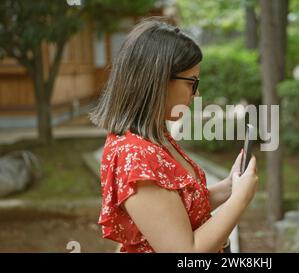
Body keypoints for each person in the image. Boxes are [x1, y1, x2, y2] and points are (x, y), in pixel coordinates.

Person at [90, 18, 259, 253]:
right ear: (158, 80)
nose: (196, 92)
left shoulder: (154, 136)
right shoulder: (136, 156)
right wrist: (241, 199)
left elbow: (179, 210)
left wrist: (230, 187)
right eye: (192, 82)